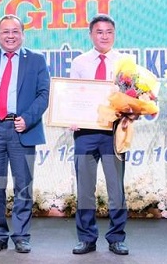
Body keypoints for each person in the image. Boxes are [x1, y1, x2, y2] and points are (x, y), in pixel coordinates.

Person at [0, 14, 50, 254]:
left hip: (21, 129)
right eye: (5, 31)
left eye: (15, 31)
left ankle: (21, 236)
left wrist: (28, 118)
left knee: (23, 185)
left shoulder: (36, 60)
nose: (10, 36)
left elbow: (44, 94)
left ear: (22, 35)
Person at [68, 14, 130, 256]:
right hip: (85, 133)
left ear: (114, 34)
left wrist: (132, 110)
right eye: (99, 32)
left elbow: (133, 94)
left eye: (109, 32)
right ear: (91, 35)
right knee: (85, 189)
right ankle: (86, 238)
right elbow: (72, 95)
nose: (104, 36)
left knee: (116, 190)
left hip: (114, 132)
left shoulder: (125, 62)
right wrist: (70, 117)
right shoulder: (80, 62)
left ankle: (116, 238)